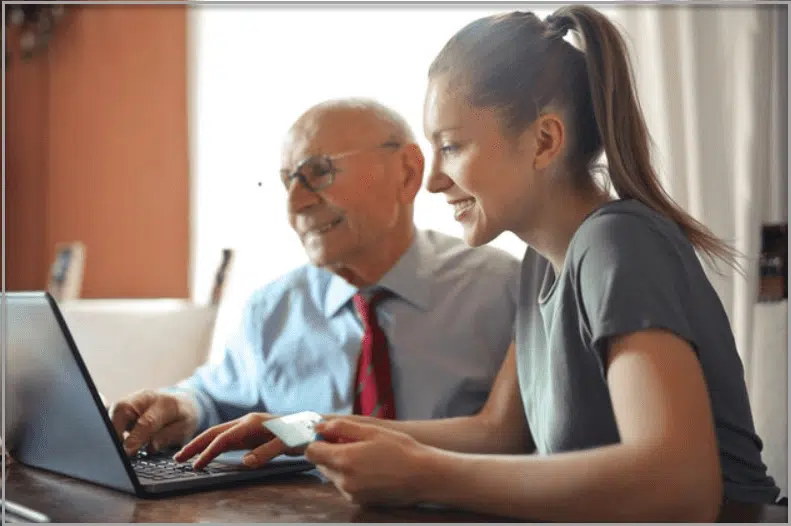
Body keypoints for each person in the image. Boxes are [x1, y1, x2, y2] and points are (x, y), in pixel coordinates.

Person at [174, 6, 781, 522]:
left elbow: (681, 486)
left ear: (544, 141)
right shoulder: (544, 262)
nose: (434, 180)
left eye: (451, 146)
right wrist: (301, 429)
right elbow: (499, 432)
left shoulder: (617, 245)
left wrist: (422, 476)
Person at [108, 98, 522, 461]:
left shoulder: (503, 290)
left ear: (409, 172)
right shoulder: (272, 308)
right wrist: (183, 407)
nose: (295, 204)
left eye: (317, 172)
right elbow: (217, 398)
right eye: (289, 180)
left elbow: (522, 441)